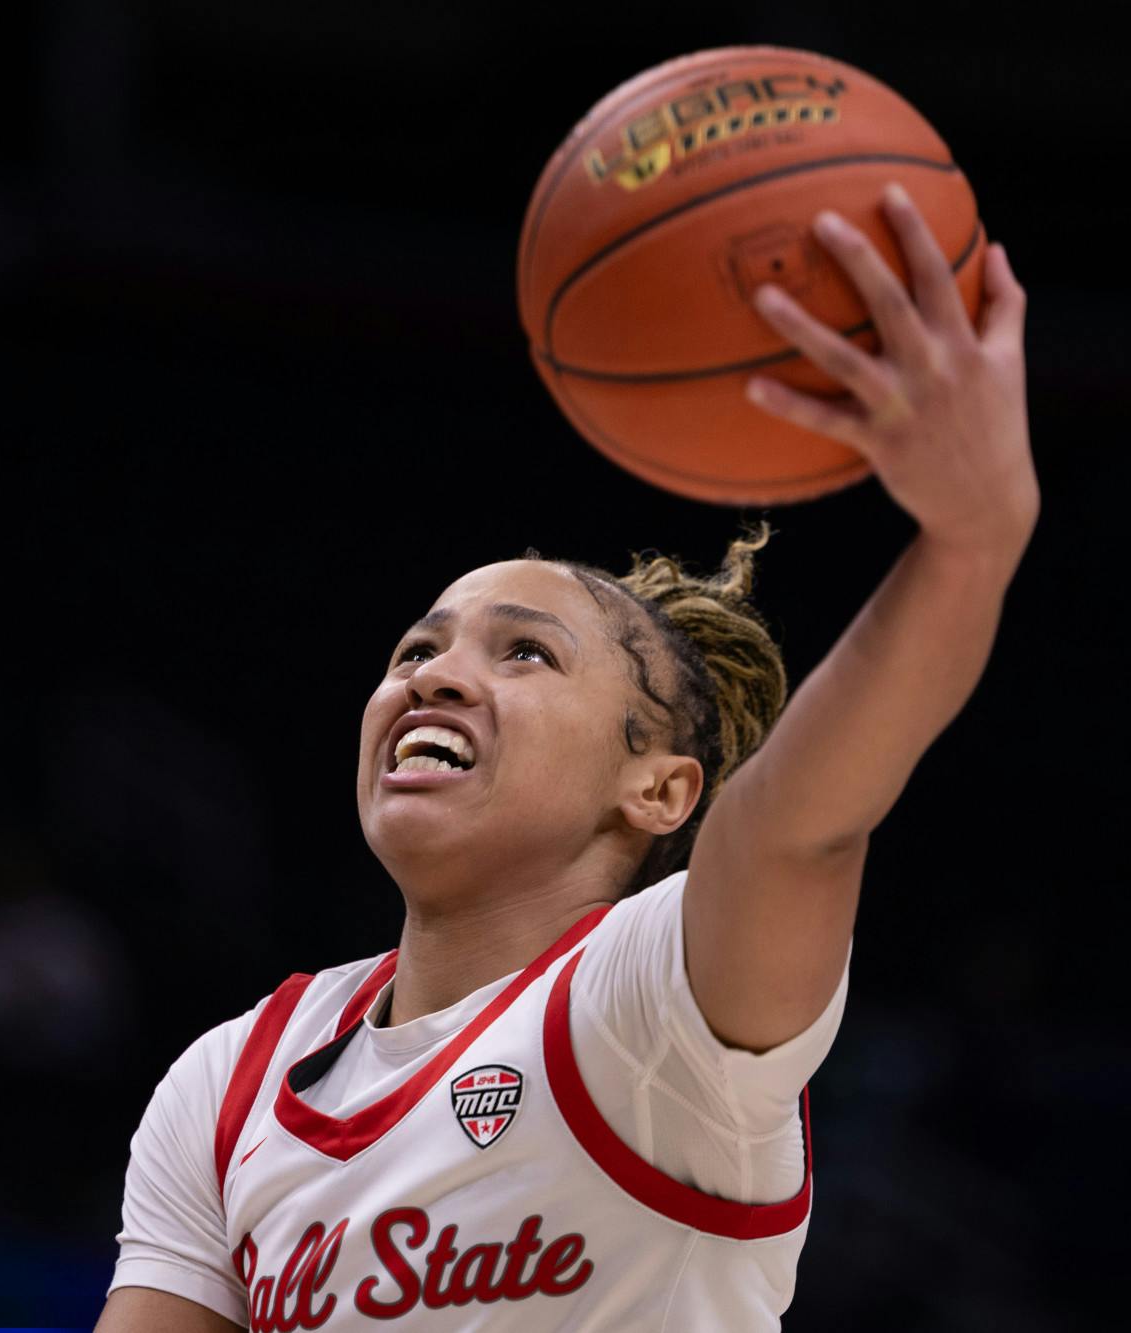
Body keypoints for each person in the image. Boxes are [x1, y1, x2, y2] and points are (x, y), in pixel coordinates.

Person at [96, 185, 1037, 1330]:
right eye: (416, 648)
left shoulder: (649, 1007)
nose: (433, 676)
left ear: (659, 787)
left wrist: (965, 545)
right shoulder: (231, 1079)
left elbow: (794, 824)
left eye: (525, 654)